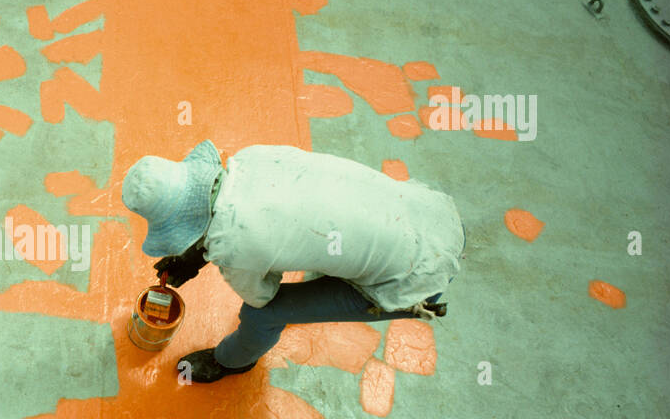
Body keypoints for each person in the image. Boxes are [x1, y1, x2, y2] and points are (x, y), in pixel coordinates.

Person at [121, 140, 467, 383]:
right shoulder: (251, 158)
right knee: (322, 243)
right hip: (426, 214)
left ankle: (231, 362)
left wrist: (205, 253)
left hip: (416, 275)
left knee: (263, 316)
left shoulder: (234, 248)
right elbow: (262, 217)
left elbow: (262, 295)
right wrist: (197, 255)